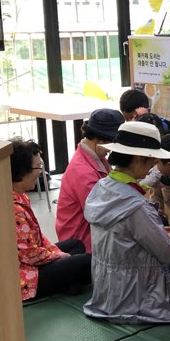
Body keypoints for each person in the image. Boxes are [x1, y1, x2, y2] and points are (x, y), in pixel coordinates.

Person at [83, 122, 170, 323]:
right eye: (151, 161)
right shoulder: (136, 206)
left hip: (106, 290)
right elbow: (165, 253)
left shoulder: (101, 186)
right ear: (138, 159)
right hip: (137, 293)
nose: (152, 167)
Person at [10, 140, 91, 301]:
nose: (41, 172)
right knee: (86, 262)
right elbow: (29, 254)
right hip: (28, 275)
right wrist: (57, 256)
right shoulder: (14, 208)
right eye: (37, 167)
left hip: (35, 259)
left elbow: (37, 238)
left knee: (76, 245)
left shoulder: (21, 196)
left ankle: (68, 282)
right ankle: (68, 282)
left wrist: (55, 253)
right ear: (22, 171)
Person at [55, 108, 124, 251]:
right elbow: (102, 214)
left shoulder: (94, 157)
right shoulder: (83, 172)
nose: (111, 150)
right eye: (111, 144)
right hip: (82, 241)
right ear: (99, 139)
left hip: (89, 233)